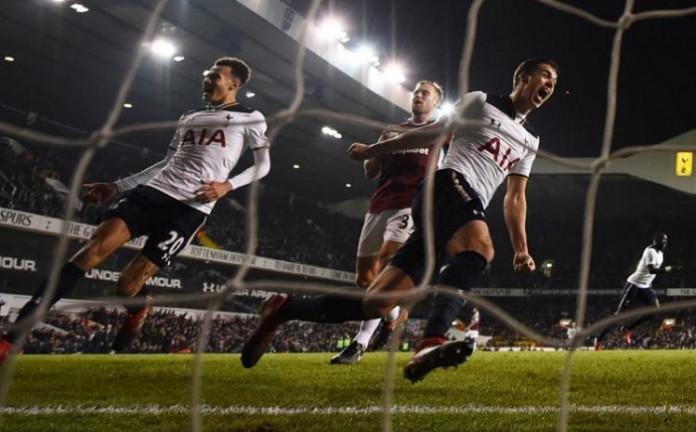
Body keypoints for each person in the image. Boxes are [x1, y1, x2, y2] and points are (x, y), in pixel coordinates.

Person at [241, 58, 558, 383]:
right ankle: (433, 341)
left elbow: (516, 196)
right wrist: (375, 150)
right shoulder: (481, 101)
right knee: (479, 249)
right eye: (545, 76)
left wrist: (522, 248)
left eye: (554, 82)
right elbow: (431, 133)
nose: (549, 85)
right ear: (522, 76)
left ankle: (283, 310)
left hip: (459, 207)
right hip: (447, 184)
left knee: (376, 304)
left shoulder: (530, 140)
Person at [0, 56, 270, 363]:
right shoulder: (189, 116)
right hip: (153, 193)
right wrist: (116, 186)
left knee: (126, 287)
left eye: (215, 76)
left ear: (234, 83)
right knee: (90, 252)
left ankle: (138, 308)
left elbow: (264, 165)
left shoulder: (251, 117)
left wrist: (227, 186)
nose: (207, 79)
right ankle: (11, 339)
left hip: (190, 208)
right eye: (206, 74)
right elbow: (166, 163)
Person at [330, 80, 445, 365]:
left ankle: (359, 343)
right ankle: (394, 316)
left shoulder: (438, 134)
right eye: (416, 92)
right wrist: (375, 151)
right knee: (364, 278)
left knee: (387, 263)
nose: (418, 96)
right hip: (379, 205)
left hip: (410, 205)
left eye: (425, 93)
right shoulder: (392, 131)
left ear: (435, 104)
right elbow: (371, 172)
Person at [594, 232, 679, 350]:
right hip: (634, 284)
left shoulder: (661, 254)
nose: (664, 242)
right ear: (655, 241)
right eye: (662, 240)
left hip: (645, 286)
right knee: (619, 315)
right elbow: (652, 270)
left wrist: (649, 284)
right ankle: (599, 340)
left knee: (655, 310)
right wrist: (669, 268)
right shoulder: (650, 251)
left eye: (666, 240)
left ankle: (629, 328)